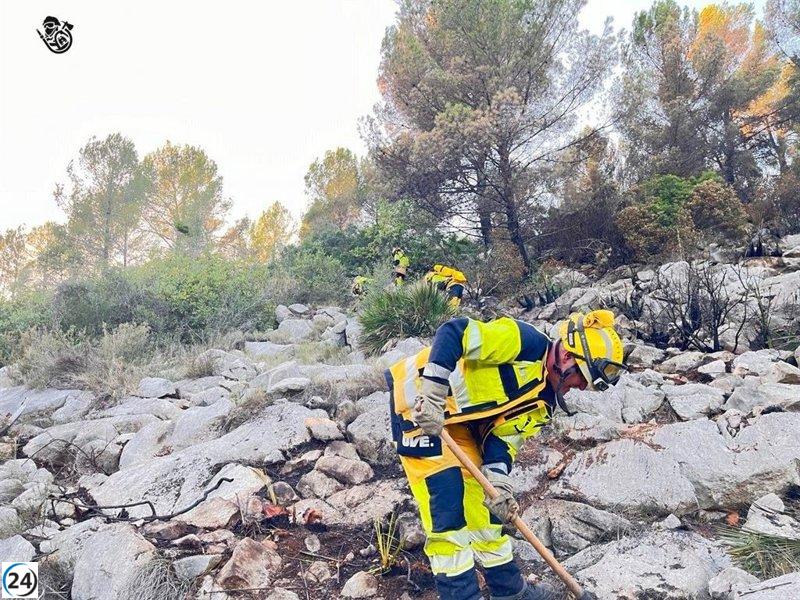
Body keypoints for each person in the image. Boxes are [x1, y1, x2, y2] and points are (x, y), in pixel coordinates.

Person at [386, 310, 626, 600]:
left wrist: (499, 483)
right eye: (582, 379)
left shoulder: (545, 403)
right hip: (419, 405)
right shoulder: (522, 341)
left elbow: (504, 440)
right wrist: (433, 393)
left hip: (461, 424)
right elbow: (453, 333)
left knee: (485, 510)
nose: (581, 387)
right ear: (566, 358)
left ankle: (508, 590)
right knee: (447, 508)